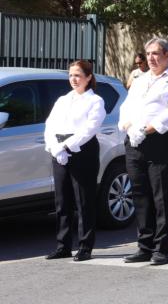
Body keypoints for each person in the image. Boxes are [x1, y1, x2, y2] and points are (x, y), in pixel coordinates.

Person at [119, 37, 168, 265]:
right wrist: (129, 127)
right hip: (135, 140)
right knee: (140, 194)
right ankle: (144, 245)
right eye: (148, 54)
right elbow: (126, 106)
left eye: (156, 53)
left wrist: (147, 130)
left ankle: (162, 247)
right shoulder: (140, 79)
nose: (151, 58)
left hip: (161, 140)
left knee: (162, 195)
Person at [44, 60, 107, 262]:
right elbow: (50, 124)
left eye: (78, 75)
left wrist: (66, 146)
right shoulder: (63, 100)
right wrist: (54, 147)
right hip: (59, 151)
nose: (74, 79)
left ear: (88, 77)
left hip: (82, 150)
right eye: (71, 75)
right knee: (62, 201)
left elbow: (90, 129)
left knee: (84, 201)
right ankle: (63, 245)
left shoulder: (95, 101)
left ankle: (85, 246)